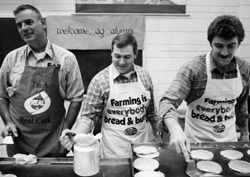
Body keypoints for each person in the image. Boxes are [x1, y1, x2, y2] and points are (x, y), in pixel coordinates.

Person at [159, 15, 250, 162]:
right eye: (219, 46)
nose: (225, 53)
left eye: (231, 46)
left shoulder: (244, 69)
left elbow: (241, 104)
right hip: (195, 146)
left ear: (238, 43)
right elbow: (167, 101)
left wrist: (245, 134)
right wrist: (174, 128)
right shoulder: (194, 69)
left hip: (230, 146)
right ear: (211, 43)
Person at [0, 4, 84, 157]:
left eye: (29, 22)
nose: (23, 28)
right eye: (19, 25)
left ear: (43, 23)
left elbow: (76, 98)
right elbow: (2, 96)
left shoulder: (66, 59)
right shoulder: (11, 59)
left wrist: (65, 129)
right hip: (20, 143)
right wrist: (8, 123)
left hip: (53, 142)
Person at [60, 33, 162, 158]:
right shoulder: (100, 81)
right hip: (113, 154)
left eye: (127, 57)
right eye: (117, 56)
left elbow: (152, 113)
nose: (122, 62)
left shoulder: (145, 76)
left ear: (136, 54)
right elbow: (88, 117)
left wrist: (158, 134)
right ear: (111, 53)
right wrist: (75, 134)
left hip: (142, 150)